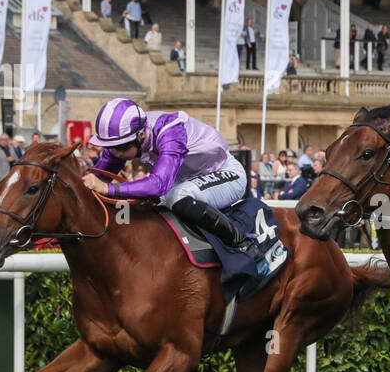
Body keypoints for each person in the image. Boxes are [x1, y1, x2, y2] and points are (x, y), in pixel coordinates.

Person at [81, 98, 263, 262]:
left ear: (140, 135)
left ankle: (241, 241)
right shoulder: (126, 138)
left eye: (120, 147)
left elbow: (159, 184)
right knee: (147, 203)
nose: (116, 154)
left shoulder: (170, 130)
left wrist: (109, 189)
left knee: (177, 195)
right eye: (110, 148)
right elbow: (98, 175)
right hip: (186, 179)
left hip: (226, 172)